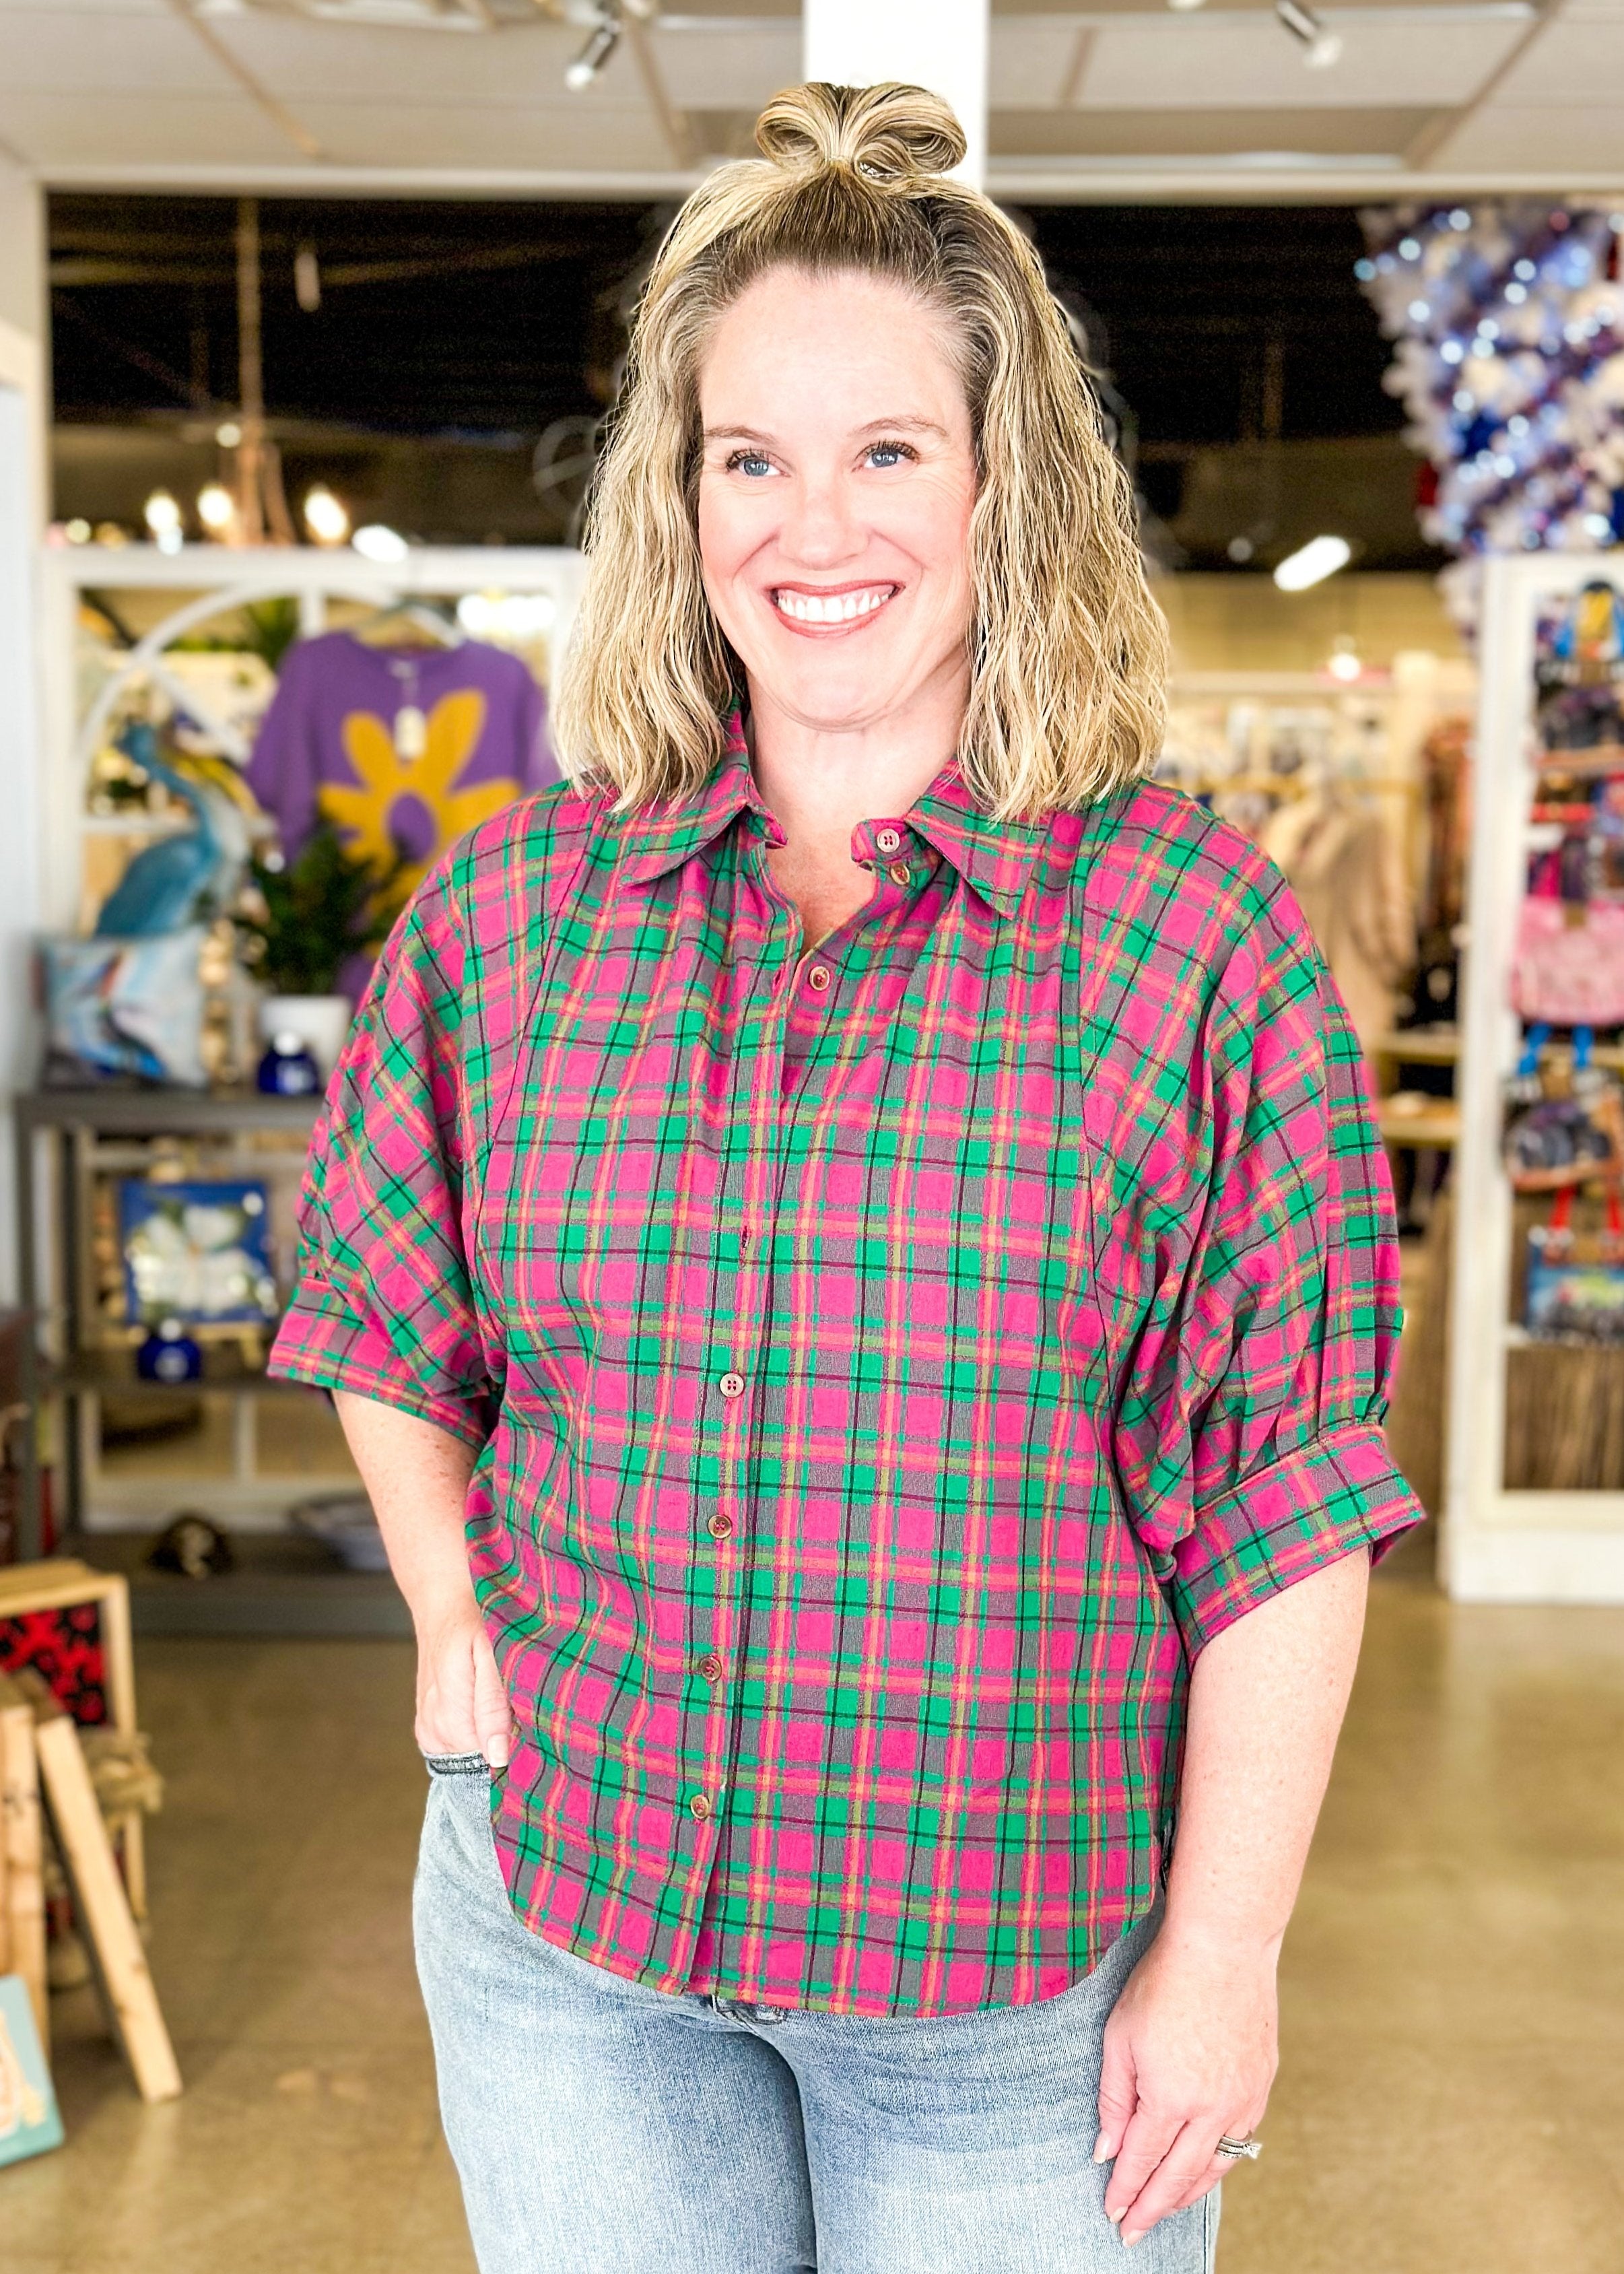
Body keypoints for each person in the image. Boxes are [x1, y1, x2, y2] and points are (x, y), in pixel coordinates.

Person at [269, 80, 1423, 2274]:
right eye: (750, 458)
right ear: (679, 501)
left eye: (887, 450)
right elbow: (382, 1289)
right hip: (566, 1930)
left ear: (1005, 492)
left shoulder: (1189, 943)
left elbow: (1284, 1499)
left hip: (1006, 1990)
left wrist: (1225, 1949)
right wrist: (445, 1611)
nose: (819, 523)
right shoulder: (520, 915)